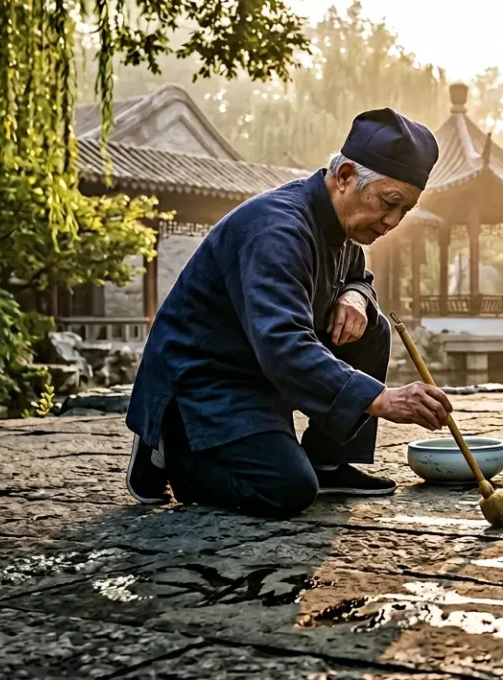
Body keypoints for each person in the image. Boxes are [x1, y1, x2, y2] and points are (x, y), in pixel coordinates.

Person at [122, 108, 453, 518]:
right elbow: (283, 343)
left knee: (371, 327)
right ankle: (170, 447)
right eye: (389, 202)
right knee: (287, 489)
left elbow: (358, 274)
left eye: (405, 209)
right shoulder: (276, 231)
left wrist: (354, 295)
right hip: (208, 379)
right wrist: (380, 399)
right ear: (346, 176)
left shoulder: (343, 224)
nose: (393, 221)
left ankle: (327, 461)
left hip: (260, 370)